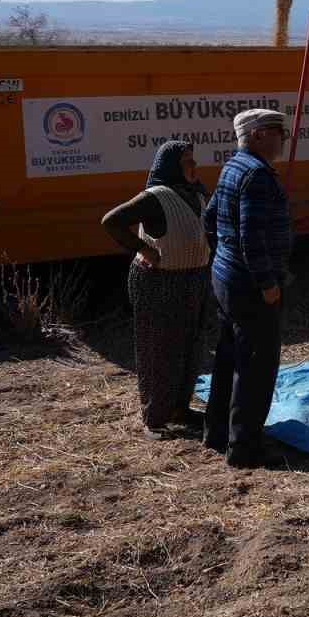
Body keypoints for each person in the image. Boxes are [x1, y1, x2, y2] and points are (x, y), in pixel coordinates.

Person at [101, 140, 213, 438]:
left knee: (190, 347)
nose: (194, 166)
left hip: (194, 280)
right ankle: (154, 418)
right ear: (172, 166)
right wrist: (143, 249)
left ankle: (180, 408)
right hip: (159, 282)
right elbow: (111, 222)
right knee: (159, 350)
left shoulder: (197, 193)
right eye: (187, 161)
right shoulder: (154, 198)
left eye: (193, 159)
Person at [202, 108, 293, 466]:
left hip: (226, 278)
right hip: (250, 286)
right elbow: (251, 238)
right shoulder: (256, 175)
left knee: (228, 358)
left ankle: (217, 432)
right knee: (256, 366)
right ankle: (245, 448)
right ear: (256, 135)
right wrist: (267, 283)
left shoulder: (232, 167)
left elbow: (210, 219)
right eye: (276, 132)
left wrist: (223, 257)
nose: (282, 139)